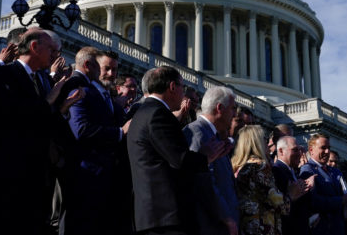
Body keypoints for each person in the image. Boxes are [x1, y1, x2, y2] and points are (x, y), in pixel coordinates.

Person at [0, 28, 83, 235]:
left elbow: (46, 118)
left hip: (38, 170)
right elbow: (12, 116)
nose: (56, 56)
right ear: (35, 47)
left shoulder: (44, 80)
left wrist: (63, 107)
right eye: (52, 50)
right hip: (10, 169)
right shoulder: (6, 73)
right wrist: (49, 100)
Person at [127, 66, 228, 235]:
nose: (184, 94)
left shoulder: (144, 112)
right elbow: (178, 159)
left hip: (154, 214)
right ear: (173, 87)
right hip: (165, 215)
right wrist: (206, 157)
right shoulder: (158, 114)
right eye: (182, 87)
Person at [62, 46, 130, 234]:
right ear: (93, 66)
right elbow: (81, 130)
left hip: (107, 180)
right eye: (106, 68)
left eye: (114, 69)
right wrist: (119, 133)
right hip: (86, 175)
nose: (111, 74)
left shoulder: (110, 100)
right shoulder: (82, 91)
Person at [183, 86, 240, 235]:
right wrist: (225, 217)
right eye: (232, 108)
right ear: (219, 108)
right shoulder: (197, 132)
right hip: (211, 224)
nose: (234, 114)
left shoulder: (212, 134)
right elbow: (203, 180)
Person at [299, 134, 347, 235]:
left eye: (328, 148)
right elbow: (313, 201)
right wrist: (342, 200)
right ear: (311, 150)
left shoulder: (336, 172)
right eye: (323, 148)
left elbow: (346, 194)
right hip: (321, 229)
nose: (327, 151)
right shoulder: (307, 170)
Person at [232, 125, 290, 235]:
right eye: (265, 139)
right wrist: (291, 195)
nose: (268, 144)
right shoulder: (260, 166)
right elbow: (277, 203)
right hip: (263, 227)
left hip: (246, 226)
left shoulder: (240, 166)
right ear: (257, 142)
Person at [271, 136, 315, 235]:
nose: (299, 153)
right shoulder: (277, 171)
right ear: (281, 151)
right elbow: (281, 206)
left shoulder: (292, 172)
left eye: (300, 150)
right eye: (295, 150)